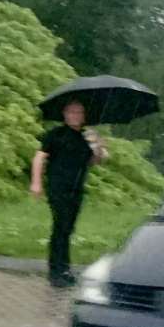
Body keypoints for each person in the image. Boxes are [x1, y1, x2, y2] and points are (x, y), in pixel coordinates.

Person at [30, 99, 109, 287]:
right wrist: (36, 182)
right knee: (61, 227)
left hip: (77, 188)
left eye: (79, 112)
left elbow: (96, 161)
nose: (75, 116)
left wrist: (98, 146)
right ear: (65, 114)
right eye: (72, 112)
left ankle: (64, 269)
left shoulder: (86, 136)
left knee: (68, 228)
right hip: (58, 187)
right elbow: (39, 157)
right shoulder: (55, 135)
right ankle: (56, 271)